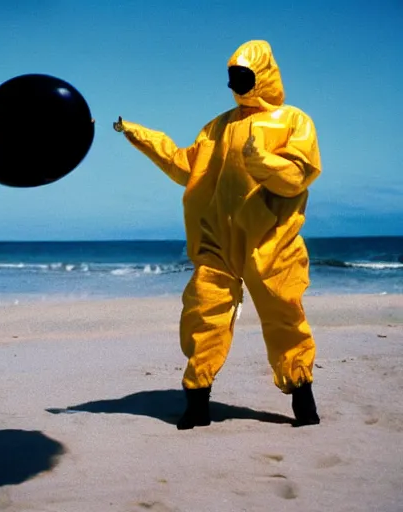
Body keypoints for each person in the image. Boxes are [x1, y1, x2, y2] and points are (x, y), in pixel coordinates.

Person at [113, 40, 322, 429]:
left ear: (263, 76)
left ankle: (303, 398)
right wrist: (137, 133)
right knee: (203, 316)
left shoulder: (293, 121)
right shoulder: (216, 127)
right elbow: (183, 165)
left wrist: (263, 162)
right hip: (215, 244)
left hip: (270, 241)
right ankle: (197, 402)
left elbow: (298, 175)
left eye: (243, 76)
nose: (236, 84)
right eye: (232, 78)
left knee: (283, 316)